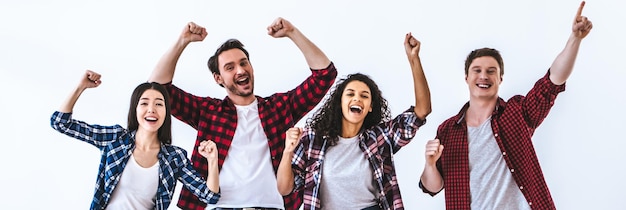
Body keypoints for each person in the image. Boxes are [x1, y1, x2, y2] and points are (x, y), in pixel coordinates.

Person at [148, 17, 337, 210]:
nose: (240, 70)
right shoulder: (208, 111)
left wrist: (292, 32)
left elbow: (325, 75)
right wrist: (182, 41)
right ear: (218, 78)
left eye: (244, 63)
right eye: (230, 67)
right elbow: (156, 88)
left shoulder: (279, 107)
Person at [419, 1, 593, 209]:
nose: (484, 76)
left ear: (500, 78)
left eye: (491, 71)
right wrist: (430, 164)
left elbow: (553, 81)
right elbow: (433, 187)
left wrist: (574, 39)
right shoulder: (448, 130)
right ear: (466, 77)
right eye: (477, 70)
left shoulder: (517, 112)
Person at [276, 33, 432, 210]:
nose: (357, 99)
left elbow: (422, 110)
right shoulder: (313, 139)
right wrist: (288, 150)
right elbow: (284, 189)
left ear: (370, 106)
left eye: (364, 96)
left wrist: (414, 59)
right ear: (340, 103)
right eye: (350, 94)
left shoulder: (379, 138)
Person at [50, 70, 220, 210]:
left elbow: (210, 196)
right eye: (144, 103)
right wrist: (81, 87)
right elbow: (60, 123)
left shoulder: (174, 158)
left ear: (166, 113)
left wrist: (212, 161)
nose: (151, 109)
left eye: (159, 104)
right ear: (135, 109)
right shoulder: (116, 139)